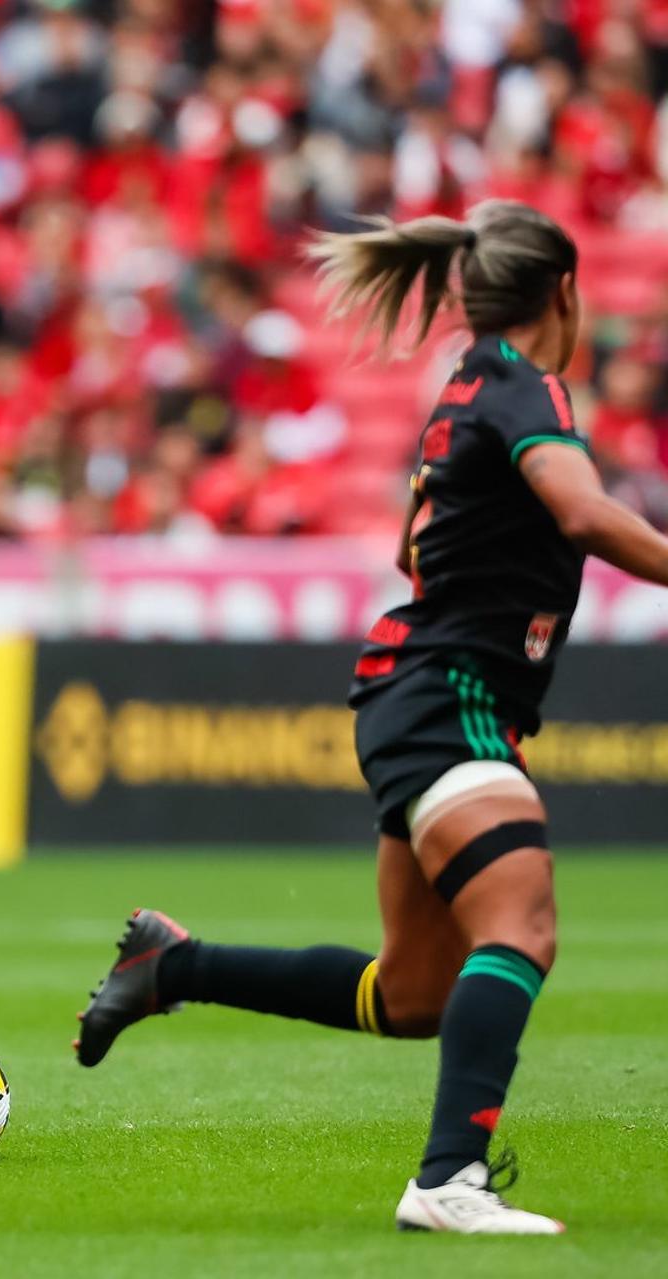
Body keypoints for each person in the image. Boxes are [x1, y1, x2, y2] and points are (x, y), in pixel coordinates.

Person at [73, 199, 668, 1234]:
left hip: (418, 689)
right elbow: (578, 509)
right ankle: (450, 1180)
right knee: (519, 917)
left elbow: (412, 547)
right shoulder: (525, 388)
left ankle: (173, 963)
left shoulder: (463, 393)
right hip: (450, 695)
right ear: (564, 294)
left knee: (414, 995)